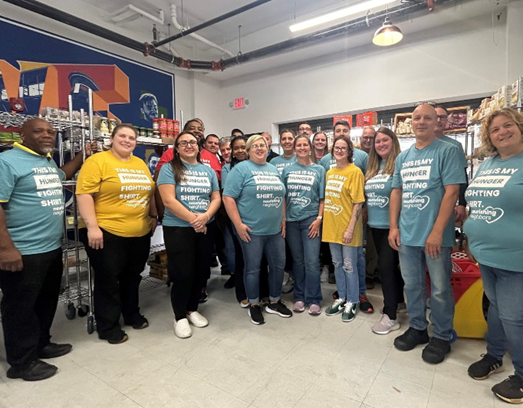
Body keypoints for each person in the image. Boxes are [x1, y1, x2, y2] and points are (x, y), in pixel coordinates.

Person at [0, 118, 93, 381]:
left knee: (46, 300)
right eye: (39, 131)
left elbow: (64, 174)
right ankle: (21, 362)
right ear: (22, 135)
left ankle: (41, 343)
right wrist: (5, 249)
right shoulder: (7, 162)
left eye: (51, 132)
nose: (46, 135)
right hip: (22, 250)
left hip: (51, 246)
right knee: (20, 308)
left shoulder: (46, 161)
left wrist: (82, 155)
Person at [389, 104, 465, 364]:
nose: (421, 122)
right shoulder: (403, 157)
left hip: (435, 236)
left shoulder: (448, 149)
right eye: (417, 118)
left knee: (441, 289)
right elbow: (397, 191)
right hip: (407, 234)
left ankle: (442, 335)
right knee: (412, 285)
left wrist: (436, 232)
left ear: (437, 122)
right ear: (411, 123)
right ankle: (418, 328)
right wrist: (394, 226)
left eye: (427, 118)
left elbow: (452, 192)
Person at [76, 124, 156, 345]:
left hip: (139, 231)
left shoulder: (139, 163)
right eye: (122, 136)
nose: (127, 140)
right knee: (108, 280)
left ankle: (131, 314)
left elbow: (149, 193)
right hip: (106, 231)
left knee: (133, 276)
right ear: (111, 138)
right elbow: (84, 195)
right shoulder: (97, 161)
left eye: (132, 137)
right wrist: (92, 227)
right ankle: (108, 325)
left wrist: (153, 217)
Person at [464, 108, 523, 404]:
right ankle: (495, 356)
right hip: (486, 255)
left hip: (516, 257)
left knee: (514, 317)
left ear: (520, 127)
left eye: (508, 125)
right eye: (495, 130)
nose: (502, 133)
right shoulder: (487, 164)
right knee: (497, 310)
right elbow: (475, 202)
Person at [223, 134, 292, 325]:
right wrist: (238, 224)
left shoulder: (273, 169)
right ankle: (254, 304)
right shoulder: (241, 169)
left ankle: (274, 301)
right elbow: (228, 197)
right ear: (248, 150)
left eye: (262, 145)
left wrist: (284, 218)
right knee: (253, 268)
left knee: (278, 266)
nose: (260, 148)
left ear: (268, 149)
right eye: (255, 146)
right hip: (251, 230)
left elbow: (282, 195)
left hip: (275, 230)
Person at [157, 132, 221, 339]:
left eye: (192, 142)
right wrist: (195, 220)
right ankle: (179, 316)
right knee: (182, 273)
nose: (188, 145)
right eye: (183, 143)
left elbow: (216, 198)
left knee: (201, 271)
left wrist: (205, 217)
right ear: (176, 148)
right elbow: (168, 200)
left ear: (199, 147)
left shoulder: (207, 170)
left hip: (205, 227)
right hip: (178, 228)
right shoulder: (169, 169)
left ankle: (191, 309)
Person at [320, 121, 373, 312]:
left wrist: (350, 228)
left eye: (344, 148)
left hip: (349, 227)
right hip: (332, 227)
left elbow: (358, 202)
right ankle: (341, 297)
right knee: (337, 264)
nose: (339, 150)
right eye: (337, 148)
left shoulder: (355, 172)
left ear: (350, 151)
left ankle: (352, 301)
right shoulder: (330, 172)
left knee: (350, 265)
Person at [365, 127, 405, 335]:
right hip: (375, 226)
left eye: (384, 140)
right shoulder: (373, 167)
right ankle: (398, 301)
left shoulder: (400, 164)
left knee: (387, 268)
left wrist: (394, 227)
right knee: (389, 268)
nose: (380, 144)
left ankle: (390, 316)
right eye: (377, 141)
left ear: (393, 141)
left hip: (393, 227)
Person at [282, 135, 325, 315]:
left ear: (310, 147)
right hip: (292, 221)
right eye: (298, 145)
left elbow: (322, 197)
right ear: (294, 147)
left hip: (310, 220)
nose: (301, 147)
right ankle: (300, 296)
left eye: (304, 144)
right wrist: (283, 219)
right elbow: (283, 197)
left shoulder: (319, 170)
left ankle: (314, 298)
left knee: (312, 261)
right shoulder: (287, 170)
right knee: (298, 262)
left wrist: (319, 218)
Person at [434, 106, 468, 223]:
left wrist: (462, 204)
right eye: (436, 117)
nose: (438, 120)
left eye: (442, 117)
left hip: (447, 203)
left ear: (446, 120)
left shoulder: (454, 146)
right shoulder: (419, 146)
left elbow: (462, 177)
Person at [359, 126, 379, 289]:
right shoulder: (356, 157)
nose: (368, 140)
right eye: (365, 137)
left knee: (372, 244)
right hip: (358, 207)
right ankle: (361, 272)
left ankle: (370, 274)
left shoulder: (379, 157)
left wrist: (367, 207)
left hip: (374, 207)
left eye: (371, 137)